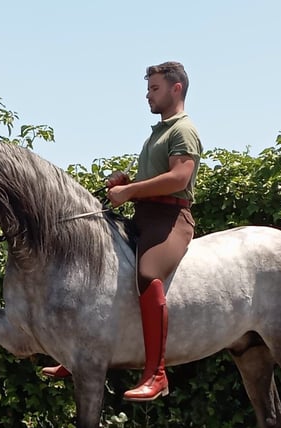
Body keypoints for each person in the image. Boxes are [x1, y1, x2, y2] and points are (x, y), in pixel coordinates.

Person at [43, 61, 202, 402]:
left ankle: (157, 374)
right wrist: (130, 185)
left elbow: (179, 179)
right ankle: (76, 354)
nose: (148, 95)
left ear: (176, 88)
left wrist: (129, 192)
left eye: (154, 88)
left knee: (147, 274)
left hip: (171, 220)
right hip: (145, 216)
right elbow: (156, 182)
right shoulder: (158, 132)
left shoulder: (182, 130)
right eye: (148, 89)